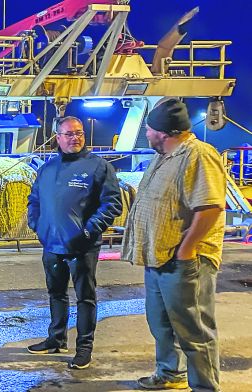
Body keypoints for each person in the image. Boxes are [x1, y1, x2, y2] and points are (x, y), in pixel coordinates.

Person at [122, 99, 225, 391]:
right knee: (161, 323)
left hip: (185, 261)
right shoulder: (164, 155)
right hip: (160, 257)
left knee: (194, 330)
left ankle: (205, 386)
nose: (147, 132)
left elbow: (210, 207)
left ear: (163, 131)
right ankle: (170, 373)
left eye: (149, 128)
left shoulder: (199, 155)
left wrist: (186, 250)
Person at [26, 116, 122, 369]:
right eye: (69, 134)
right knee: (56, 293)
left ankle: (84, 348)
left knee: (85, 298)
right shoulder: (47, 169)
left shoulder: (98, 167)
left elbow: (112, 203)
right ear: (57, 137)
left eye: (79, 133)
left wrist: (89, 231)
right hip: (51, 245)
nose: (75, 138)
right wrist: (37, 225)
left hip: (82, 246)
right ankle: (56, 338)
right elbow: (34, 200)